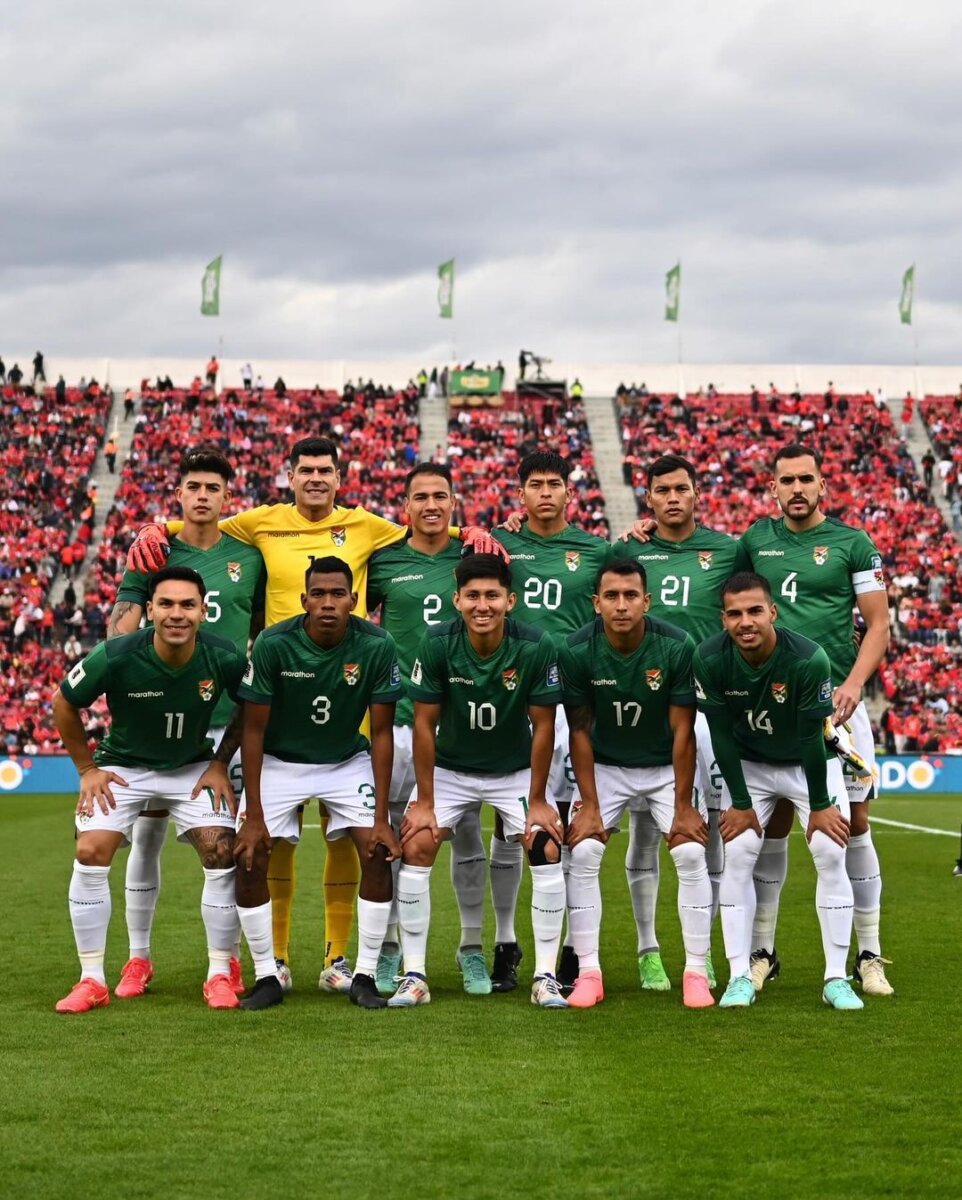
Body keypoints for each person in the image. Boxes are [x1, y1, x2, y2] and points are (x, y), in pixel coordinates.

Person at [126, 436, 501, 993]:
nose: (316, 479)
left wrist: (463, 533)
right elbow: (201, 524)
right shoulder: (257, 524)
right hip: (278, 691)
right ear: (290, 475)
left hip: (343, 694)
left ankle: (336, 957)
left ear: (340, 476)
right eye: (306, 471)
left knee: (338, 833)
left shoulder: (368, 526)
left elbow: (423, 527)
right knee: (271, 840)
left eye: (326, 470)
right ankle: (273, 958)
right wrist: (158, 529)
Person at [51, 567, 248, 1013]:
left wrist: (219, 762)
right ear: (151, 610)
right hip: (123, 767)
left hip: (192, 767)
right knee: (90, 852)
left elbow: (254, 707)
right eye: (166, 604)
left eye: (187, 605)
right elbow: (64, 702)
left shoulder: (225, 656)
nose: (176, 614)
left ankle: (220, 971)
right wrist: (87, 768)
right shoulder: (117, 654)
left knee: (220, 852)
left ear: (203, 611)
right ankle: (92, 979)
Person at [107, 448, 266, 998]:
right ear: (180, 493)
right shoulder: (153, 551)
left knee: (227, 847)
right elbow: (119, 635)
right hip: (155, 729)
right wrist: (139, 565)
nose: (203, 495)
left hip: (225, 728)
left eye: (213, 488)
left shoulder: (250, 557)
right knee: (145, 841)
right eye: (193, 486)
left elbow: (262, 632)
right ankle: (137, 959)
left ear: (228, 498)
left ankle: (226, 963)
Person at [740, 444, 892, 996]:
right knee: (771, 826)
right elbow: (724, 598)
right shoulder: (755, 541)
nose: (797, 488)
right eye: (788, 480)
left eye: (807, 479)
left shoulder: (854, 543)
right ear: (773, 487)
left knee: (853, 825)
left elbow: (877, 626)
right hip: (772, 706)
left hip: (838, 707)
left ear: (822, 485)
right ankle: (763, 951)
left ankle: (869, 955)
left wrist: (853, 684)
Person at [391, 554, 567, 1008]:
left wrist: (538, 799)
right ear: (457, 600)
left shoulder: (535, 645)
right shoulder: (437, 643)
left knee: (546, 844)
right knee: (416, 843)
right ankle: (415, 974)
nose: (482, 605)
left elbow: (543, 725)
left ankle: (545, 977)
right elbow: (423, 725)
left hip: (513, 771)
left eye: (492, 596)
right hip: (451, 771)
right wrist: (426, 801)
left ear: (510, 600)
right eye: (472, 596)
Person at [233, 557, 402, 1011]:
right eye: (319, 594)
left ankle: (363, 975)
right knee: (249, 854)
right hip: (280, 761)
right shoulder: (273, 643)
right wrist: (251, 814)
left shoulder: (377, 644)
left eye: (338, 594)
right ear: (303, 600)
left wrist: (383, 817)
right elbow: (252, 730)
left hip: (346, 761)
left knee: (378, 851)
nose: (328, 603)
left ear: (354, 600)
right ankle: (267, 974)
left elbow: (382, 732)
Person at [693, 572, 862, 1010]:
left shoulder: (809, 659)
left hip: (810, 764)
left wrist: (822, 805)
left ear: (773, 611)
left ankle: (835, 978)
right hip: (750, 765)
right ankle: (737, 977)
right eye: (734, 614)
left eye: (754, 611)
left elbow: (811, 738)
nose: (745, 621)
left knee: (829, 850)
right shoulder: (709, 659)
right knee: (740, 852)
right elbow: (721, 737)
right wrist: (742, 804)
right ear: (723, 618)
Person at [613, 454, 750, 990]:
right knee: (645, 831)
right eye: (662, 490)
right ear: (648, 499)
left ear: (698, 495)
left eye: (682, 489)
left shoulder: (727, 549)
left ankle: (705, 953)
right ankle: (648, 950)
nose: (672, 498)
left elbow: (754, 607)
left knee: (708, 831)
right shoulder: (627, 550)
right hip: (645, 709)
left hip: (710, 709)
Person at [560, 559, 713, 1009]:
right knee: (584, 850)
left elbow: (684, 730)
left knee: (688, 850)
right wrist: (588, 803)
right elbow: (581, 731)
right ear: (596, 603)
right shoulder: (576, 649)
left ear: (647, 600)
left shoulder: (676, 645)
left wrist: (684, 805)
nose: (621, 605)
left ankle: (696, 972)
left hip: (665, 766)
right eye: (611, 596)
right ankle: (589, 972)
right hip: (606, 767)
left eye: (631, 596)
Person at [366, 463, 488, 995]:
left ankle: (472, 948)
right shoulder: (384, 558)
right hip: (398, 717)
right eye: (421, 497)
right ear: (406, 505)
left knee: (465, 833)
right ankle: (391, 947)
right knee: (396, 834)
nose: (432, 505)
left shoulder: (477, 556)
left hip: (463, 717)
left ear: (455, 502)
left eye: (441, 496)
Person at [493, 451, 613, 991]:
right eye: (535, 484)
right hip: (516, 701)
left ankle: (569, 948)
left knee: (570, 826)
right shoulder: (500, 545)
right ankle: (504, 942)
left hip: (574, 704)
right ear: (520, 494)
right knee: (510, 827)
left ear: (570, 492)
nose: (545, 492)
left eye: (554, 484)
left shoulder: (597, 550)